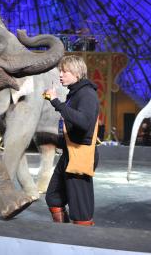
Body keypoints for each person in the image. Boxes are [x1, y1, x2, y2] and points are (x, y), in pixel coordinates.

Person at [43, 55, 99, 226]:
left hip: (81, 154)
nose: (61, 75)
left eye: (65, 71)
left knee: (81, 209)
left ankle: (82, 243)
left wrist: (56, 102)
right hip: (70, 152)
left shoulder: (87, 93)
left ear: (76, 73)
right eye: (60, 71)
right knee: (53, 196)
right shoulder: (75, 93)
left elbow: (83, 121)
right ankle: (63, 237)